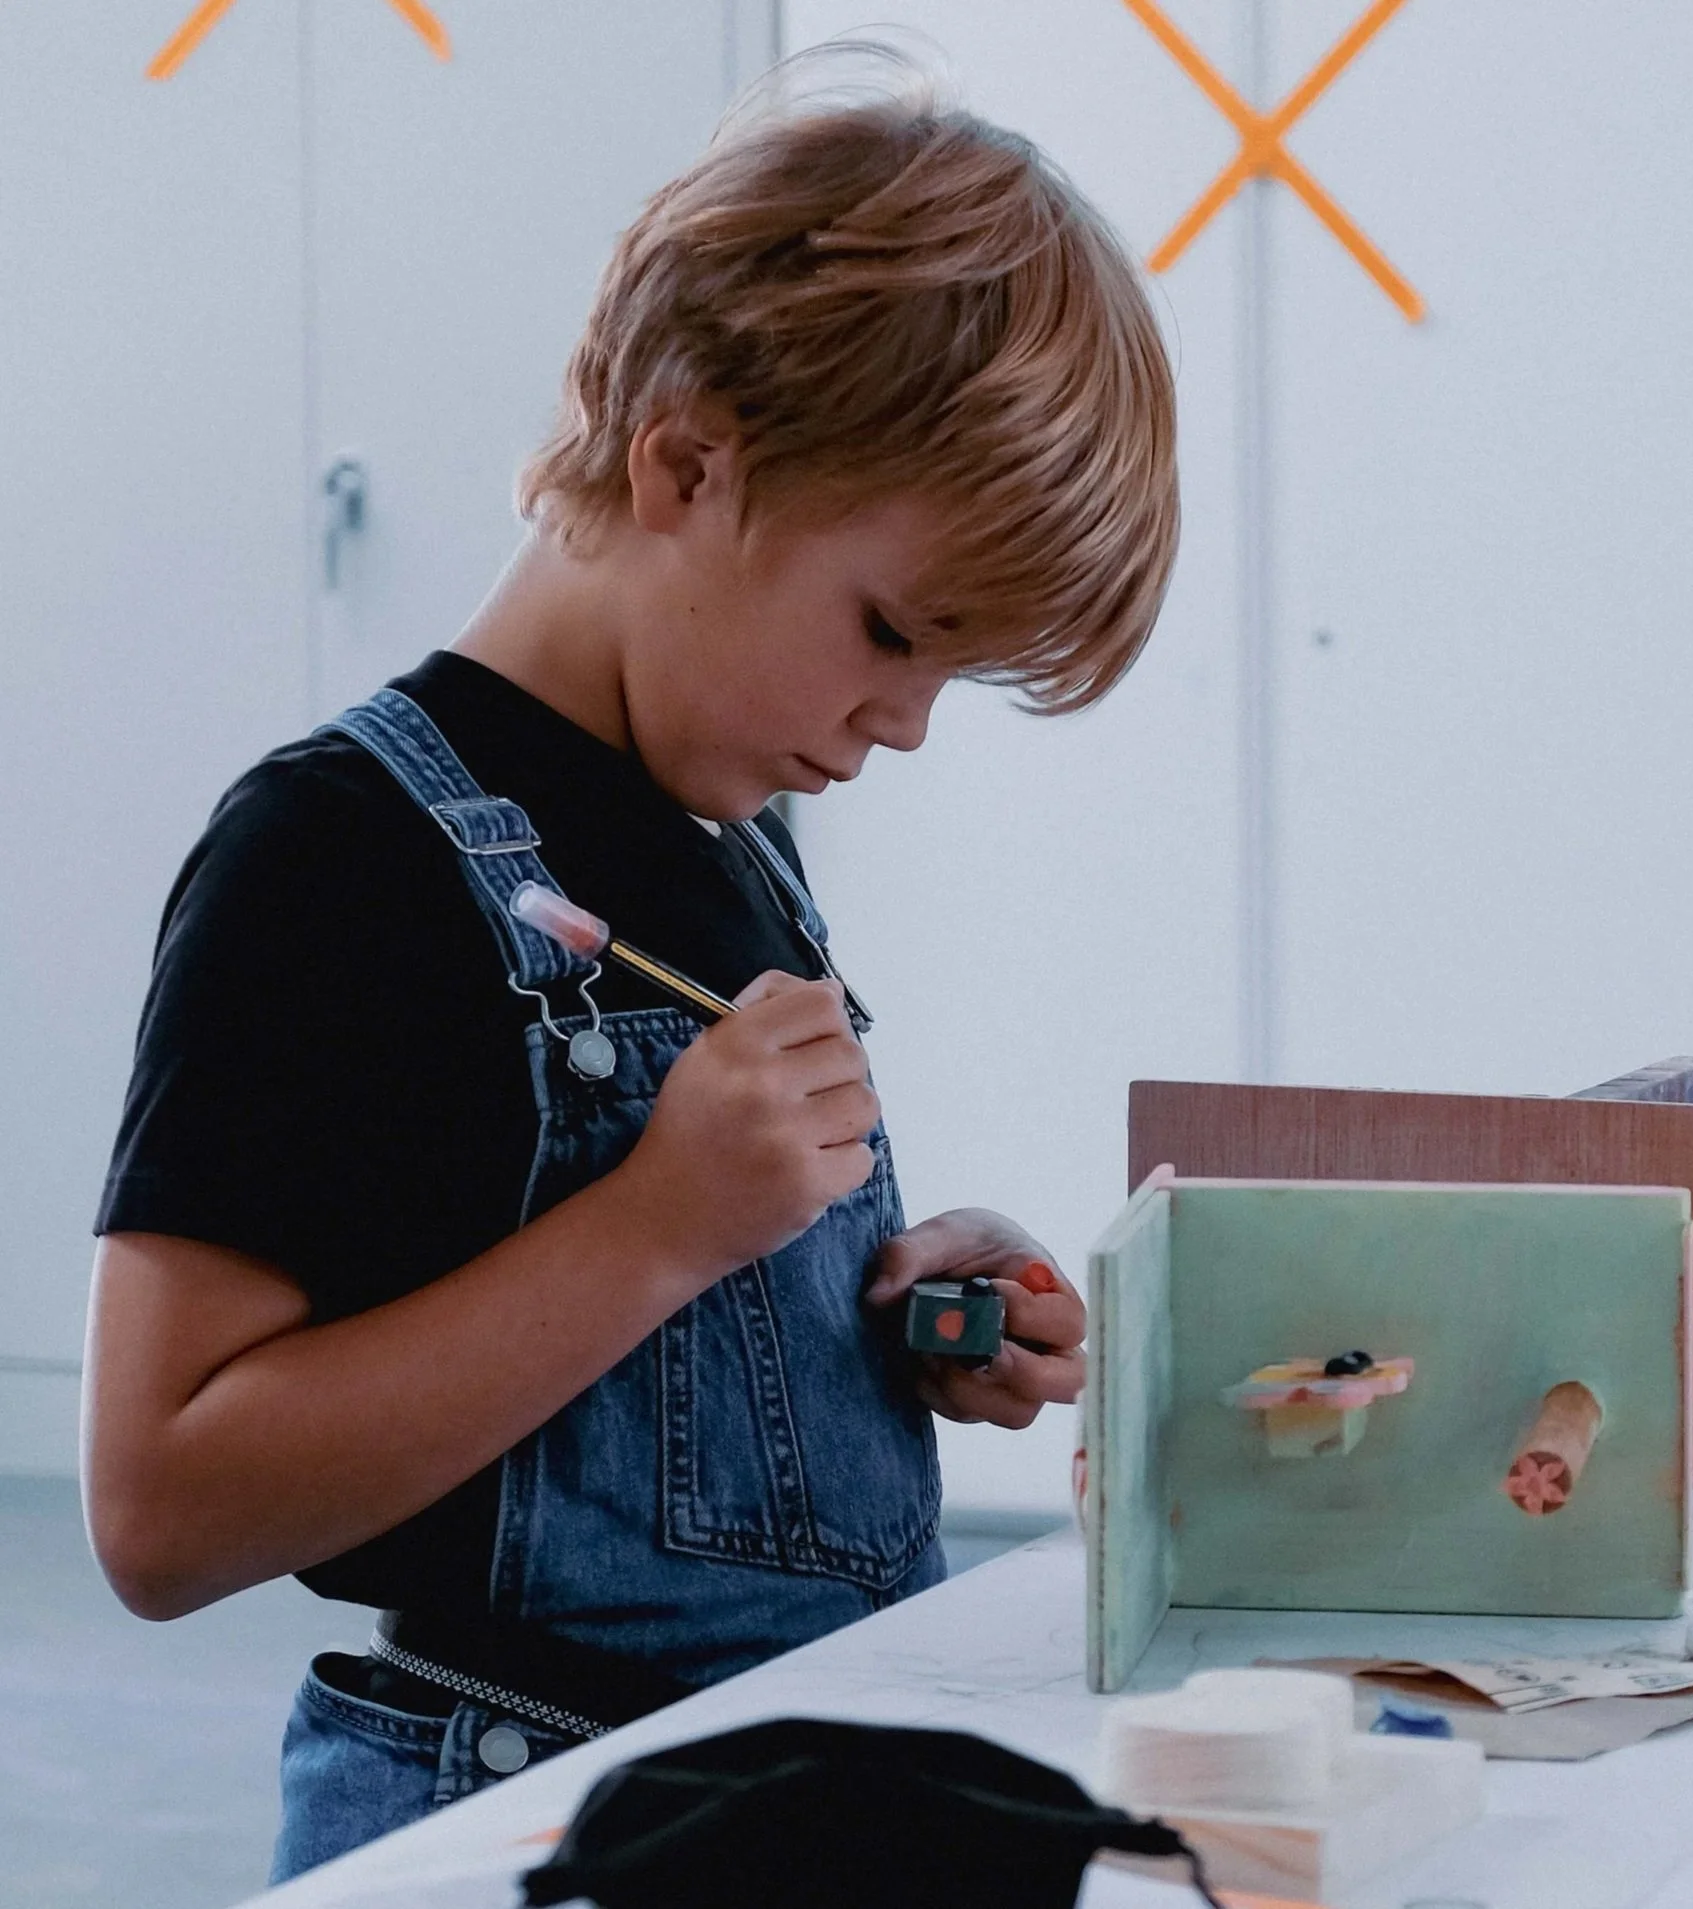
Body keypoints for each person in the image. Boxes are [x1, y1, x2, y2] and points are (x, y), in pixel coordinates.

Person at [81, 49, 1178, 1881]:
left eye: (948, 678)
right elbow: (156, 1506)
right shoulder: (336, 853)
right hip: (514, 1819)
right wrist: (661, 1228)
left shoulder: (734, 839)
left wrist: (882, 1307)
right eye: (890, 633)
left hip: (762, 1803)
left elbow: (661, 1357)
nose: (900, 726)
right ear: (683, 461)